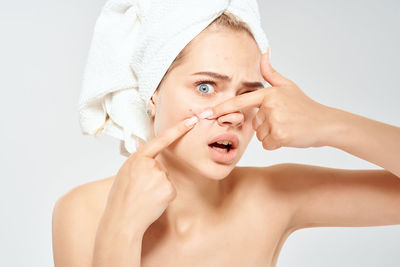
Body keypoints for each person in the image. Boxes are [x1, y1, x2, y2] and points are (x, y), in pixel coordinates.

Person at [52, 10, 400, 267]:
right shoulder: (83, 211)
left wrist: (329, 124)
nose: (233, 113)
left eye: (249, 93)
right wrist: (122, 228)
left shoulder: (275, 196)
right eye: (205, 87)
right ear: (152, 95)